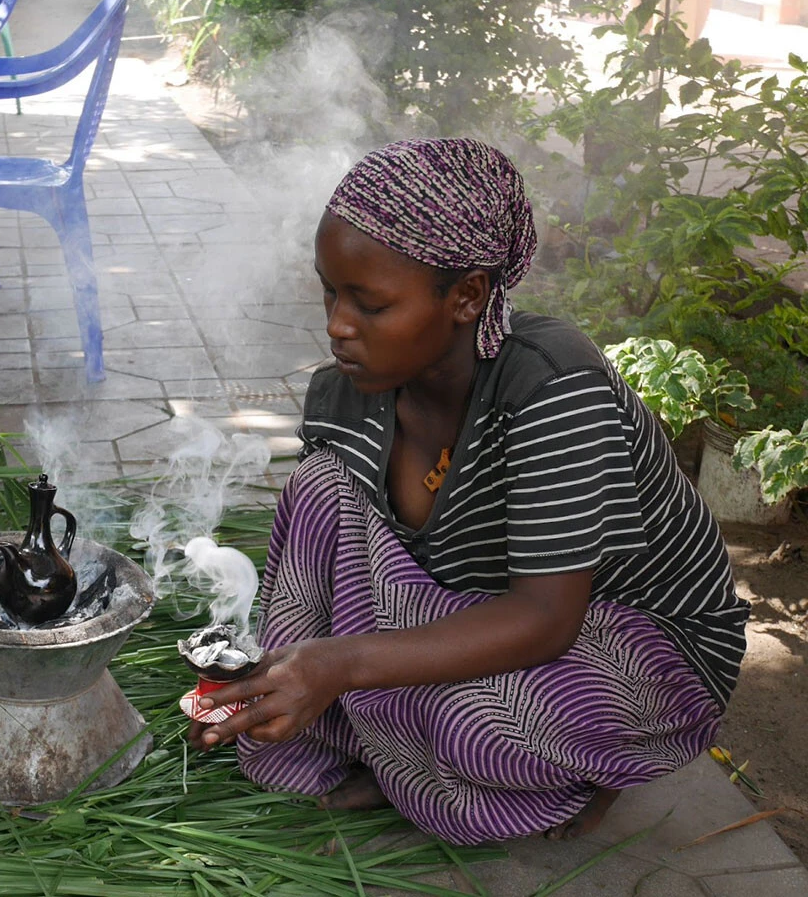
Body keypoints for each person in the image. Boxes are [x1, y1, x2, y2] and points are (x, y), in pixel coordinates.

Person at [187, 138, 749, 845]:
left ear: (467, 296)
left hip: (629, 638)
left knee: (470, 725)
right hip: (472, 605)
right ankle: (361, 738)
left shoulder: (553, 387)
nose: (337, 325)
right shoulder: (345, 395)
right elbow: (335, 559)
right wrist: (289, 675)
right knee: (321, 486)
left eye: (371, 303)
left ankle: (592, 767)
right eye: (330, 291)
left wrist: (341, 663)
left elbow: (546, 619)